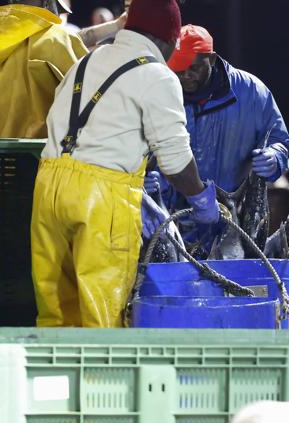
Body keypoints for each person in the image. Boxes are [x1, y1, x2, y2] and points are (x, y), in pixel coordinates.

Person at [31, 0, 221, 328]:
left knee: (56, 313)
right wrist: (201, 197)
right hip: (102, 198)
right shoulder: (158, 76)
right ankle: (99, 379)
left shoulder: (85, 62)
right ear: (170, 39)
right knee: (101, 315)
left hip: (48, 188)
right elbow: (175, 161)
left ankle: (56, 376)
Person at [146, 24, 289, 244]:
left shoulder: (252, 91)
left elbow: (279, 138)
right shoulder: (158, 92)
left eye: (193, 68)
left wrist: (275, 156)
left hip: (234, 226)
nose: (185, 76)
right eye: (177, 69)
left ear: (212, 59)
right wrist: (143, 180)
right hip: (169, 223)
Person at [0, 0, 126, 138]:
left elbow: (73, 39)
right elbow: (98, 100)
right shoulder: (54, 41)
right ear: (48, 3)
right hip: (38, 164)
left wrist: (116, 25)